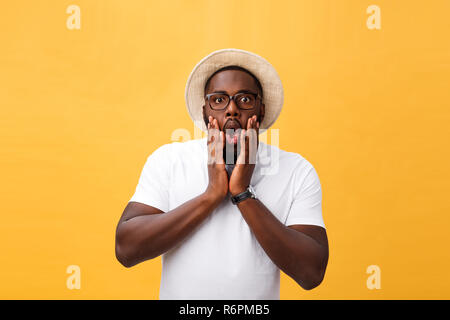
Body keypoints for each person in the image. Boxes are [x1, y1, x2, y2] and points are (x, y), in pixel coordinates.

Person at [115, 49, 329, 299]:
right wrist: (212, 195)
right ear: (205, 112)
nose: (232, 110)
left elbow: (311, 273)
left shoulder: (297, 170)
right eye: (219, 100)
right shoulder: (169, 160)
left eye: (245, 100)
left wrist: (242, 193)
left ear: (261, 110)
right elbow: (126, 250)